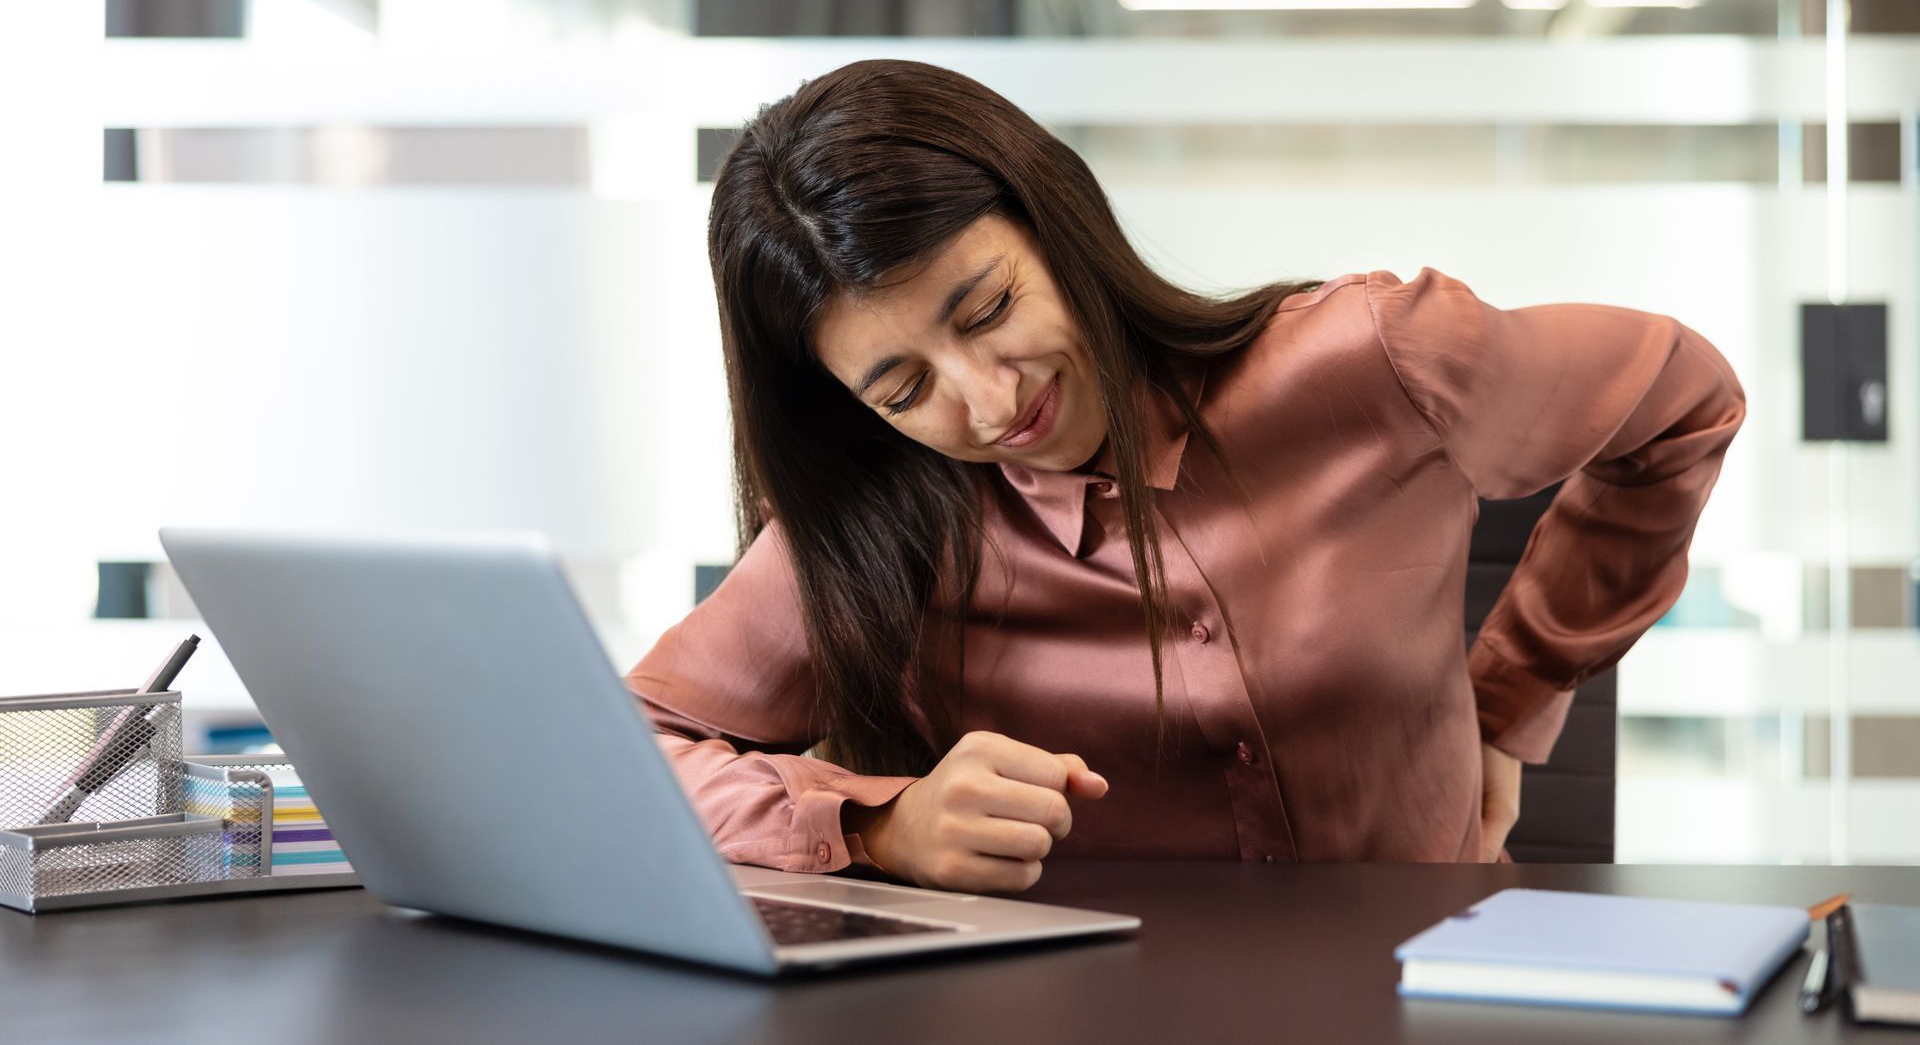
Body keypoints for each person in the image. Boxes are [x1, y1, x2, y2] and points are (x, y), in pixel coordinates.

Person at [624, 58, 1746, 894]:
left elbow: (1683, 398)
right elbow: (624, 753)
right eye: (904, 389)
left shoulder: (1382, 359)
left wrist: (1516, 696)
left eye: (990, 309)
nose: (991, 401)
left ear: (1052, 220)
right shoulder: (878, 523)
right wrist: (877, 825)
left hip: (1434, 987)